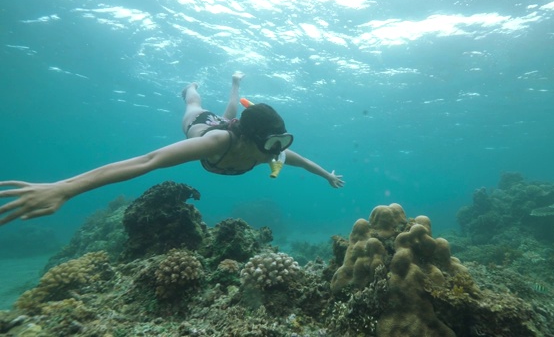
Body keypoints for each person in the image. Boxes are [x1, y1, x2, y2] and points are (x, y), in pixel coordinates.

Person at [0, 72, 344, 226]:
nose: (277, 154)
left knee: (232, 112)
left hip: (234, 131)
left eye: (282, 144)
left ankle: (235, 85)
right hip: (204, 126)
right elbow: (148, 161)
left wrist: (327, 175)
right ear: (247, 139)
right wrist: (64, 188)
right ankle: (190, 86)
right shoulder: (216, 140)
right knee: (196, 107)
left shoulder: (270, 150)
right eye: (273, 145)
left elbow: (301, 163)